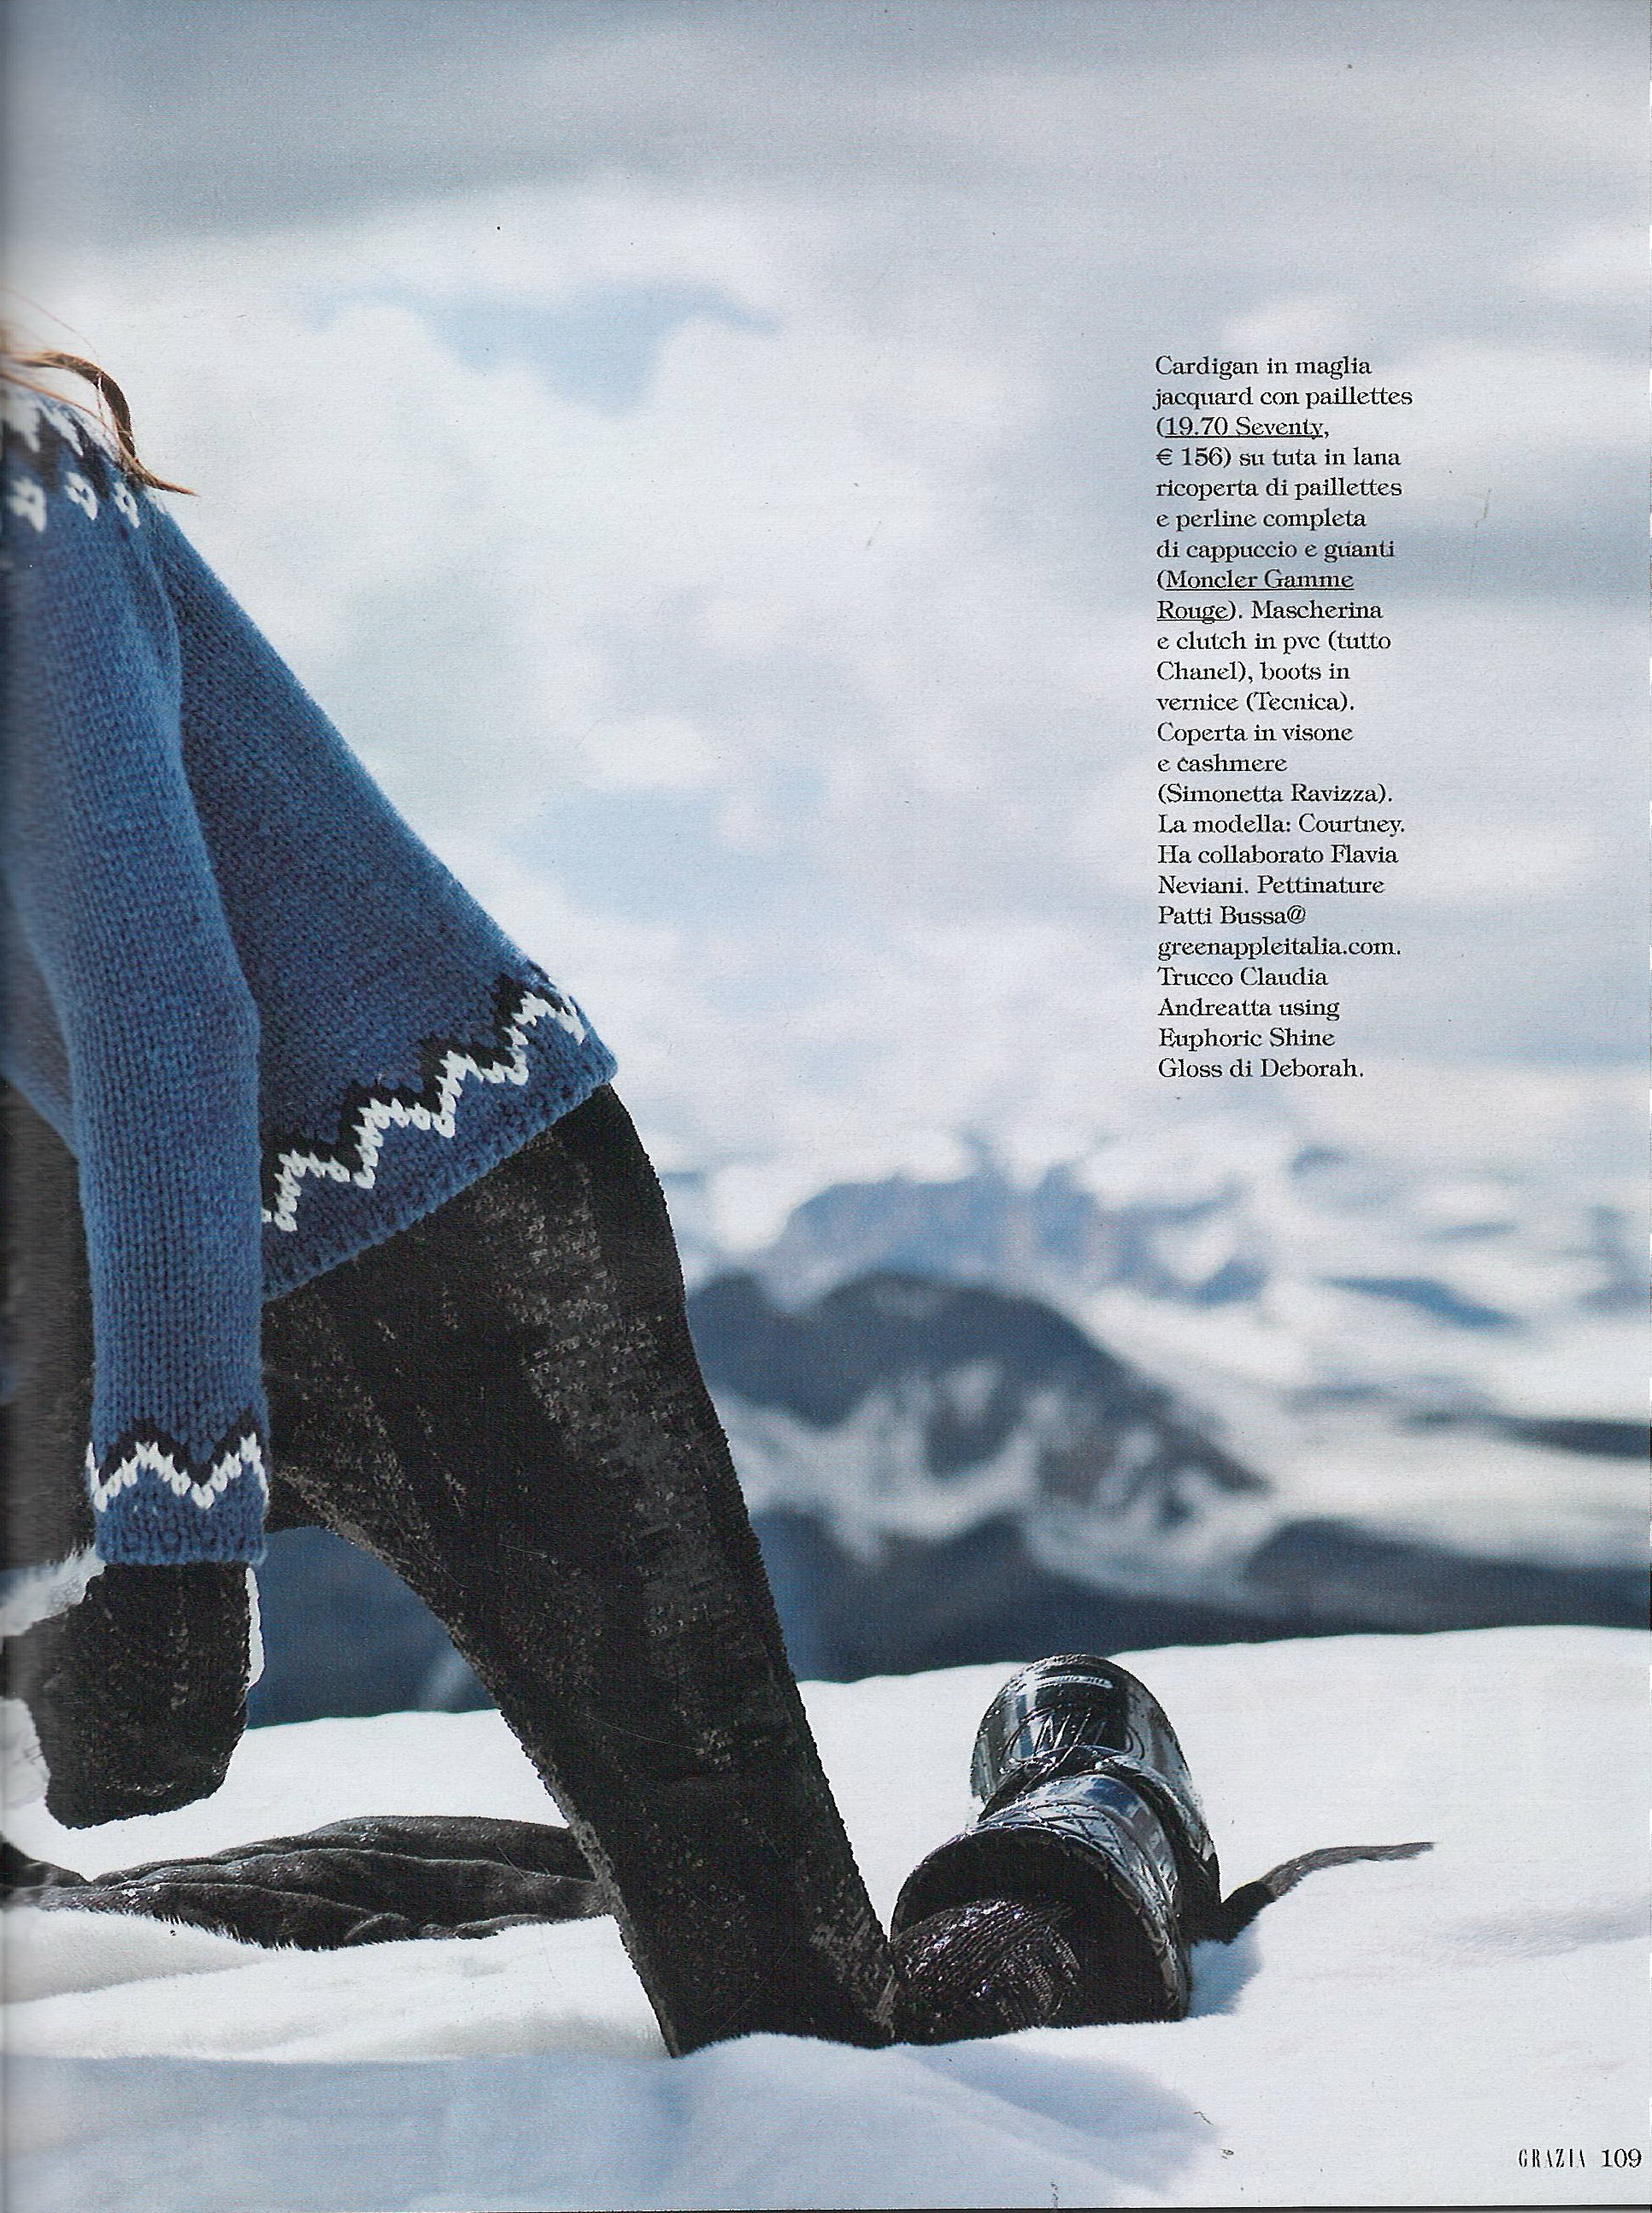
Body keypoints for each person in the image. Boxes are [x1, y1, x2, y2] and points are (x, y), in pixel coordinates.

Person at [2, 349, 1411, 2055]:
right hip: (118, 1254)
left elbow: (164, 1019)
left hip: (464, 1251)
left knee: (810, 2035)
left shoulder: (23, 481)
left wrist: (169, 1550)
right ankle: (487, 1882)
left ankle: (1088, 1822)